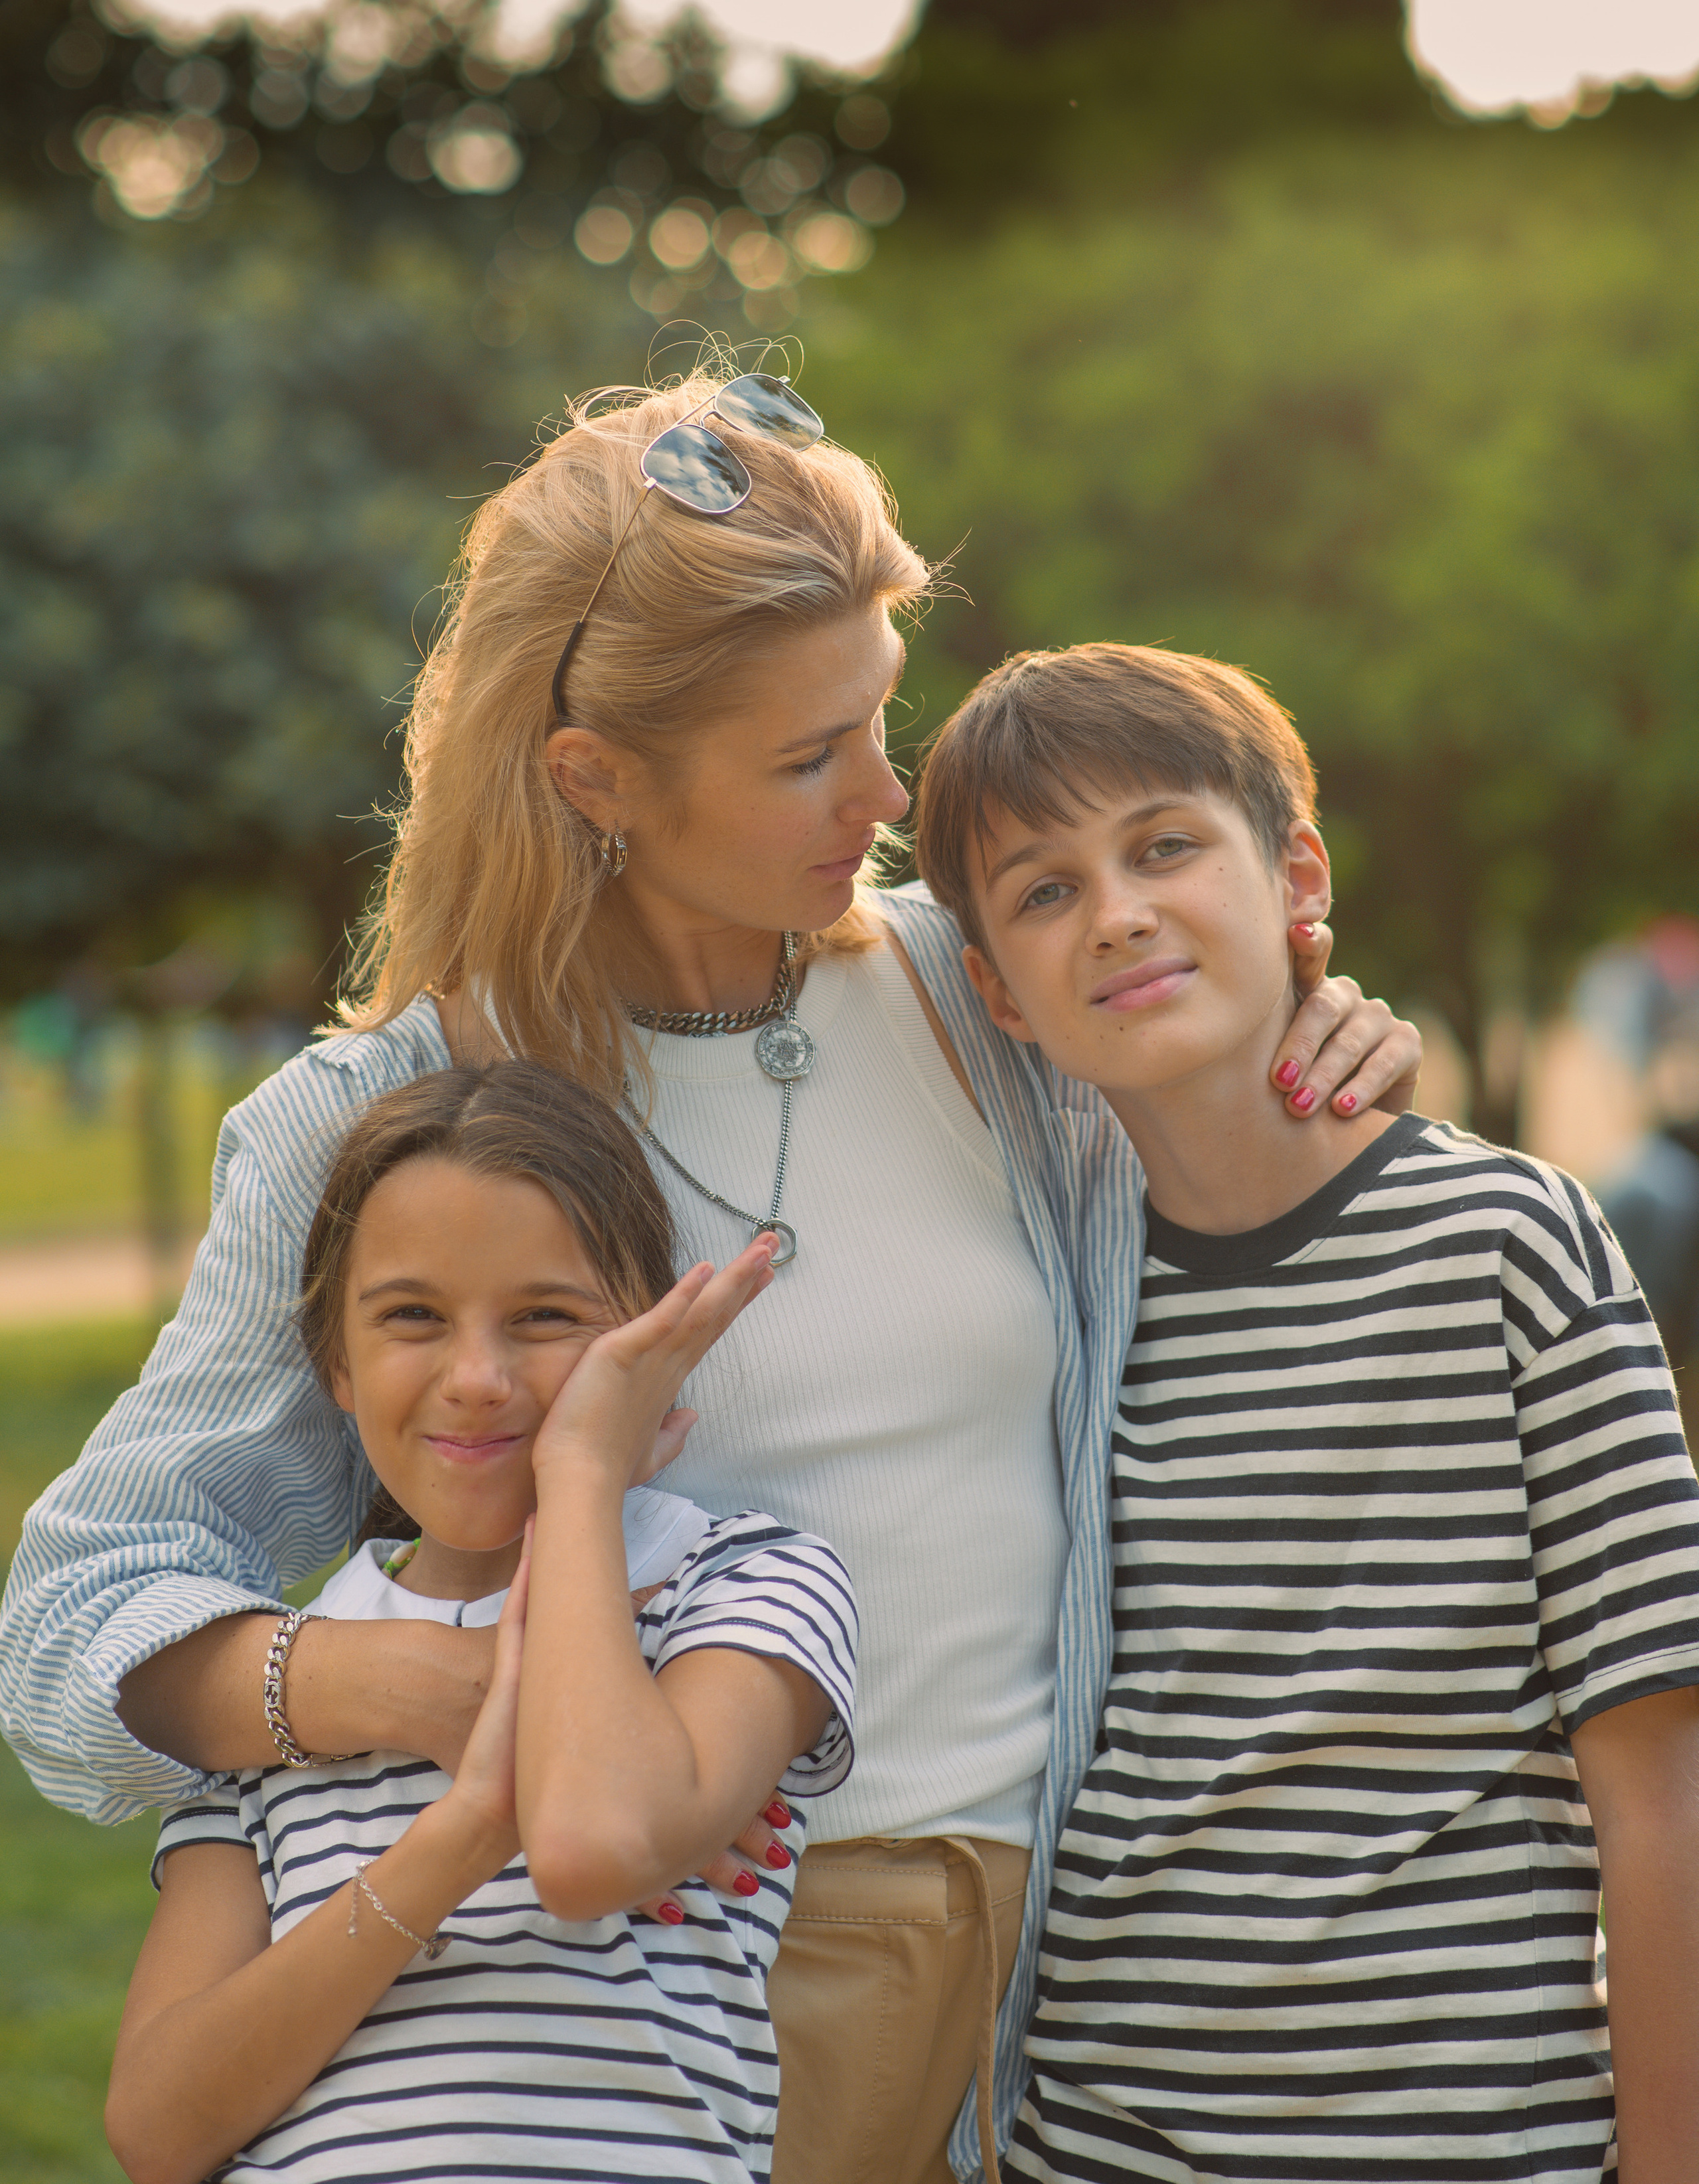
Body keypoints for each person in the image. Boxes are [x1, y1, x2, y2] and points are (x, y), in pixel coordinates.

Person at [0, 370, 1422, 2184]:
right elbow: (75, 1616)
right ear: (598, 777)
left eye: (877, 721)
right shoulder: (389, 1109)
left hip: (1062, 1970)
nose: (889, 792)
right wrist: (410, 1694)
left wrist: (1341, 1037)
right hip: (655, 2016)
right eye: (807, 756)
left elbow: (1230, 1101)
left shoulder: (974, 992)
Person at [913, 640, 1699, 2183]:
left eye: (1161, 848)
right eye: (1045, 889)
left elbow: (1661, 1781)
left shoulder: (1509, 1247)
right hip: (1100, 2142)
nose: (1118, 911)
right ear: (996, 991)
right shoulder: (1046, 1307)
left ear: (1295, 879)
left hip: (1480, 2147)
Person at [108, 1060, 856, 2184]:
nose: (478, 1376)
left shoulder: (741, 1586)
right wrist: (462, 1828)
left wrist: (583, 1473)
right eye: (413, 1315)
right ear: (336, 1364)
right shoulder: (272, 1680)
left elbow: (591, 1846)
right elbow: (159, 2130)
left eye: (545, 1317)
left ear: (646, 1341)